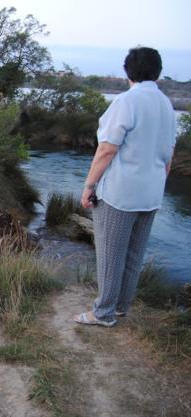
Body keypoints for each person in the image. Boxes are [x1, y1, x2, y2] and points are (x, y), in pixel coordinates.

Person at [73, 47, 177, 327]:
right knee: (133, 255)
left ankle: (103, 313)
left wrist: (89, 185)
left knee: (110, 254)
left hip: (121, 194)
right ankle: (120, 307)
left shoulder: (126, 102)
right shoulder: (166, 105)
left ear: (128, 71)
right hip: (152, 194)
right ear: (157, 71)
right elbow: (169, 156)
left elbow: (106, 150)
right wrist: (158, 183)